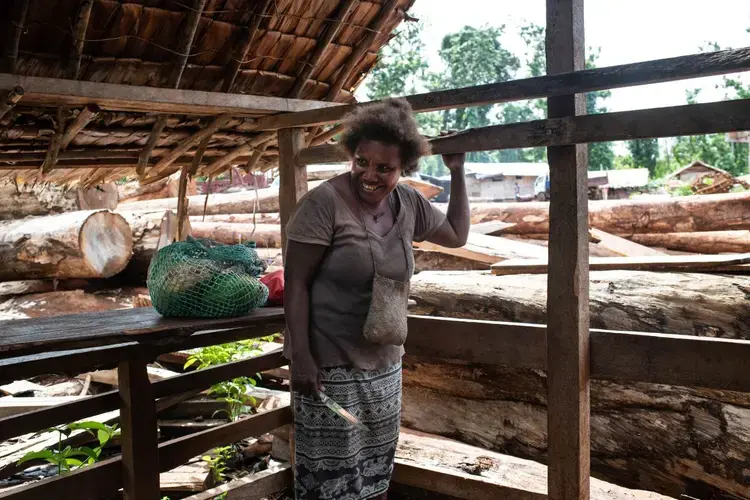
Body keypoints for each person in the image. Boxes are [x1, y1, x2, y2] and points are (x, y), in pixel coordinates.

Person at [283, 98, 470, 500]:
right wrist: (300, 357)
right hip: (329, 368)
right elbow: (295, 284)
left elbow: (456, 234)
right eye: (362, 162)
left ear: (403, 169)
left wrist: (458, 171)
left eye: (384, 168)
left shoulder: (409, 203)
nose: (370, 175)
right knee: (329, 482)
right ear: (351, 154)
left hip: (384, 368)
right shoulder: (322, 205)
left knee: (375, 474)